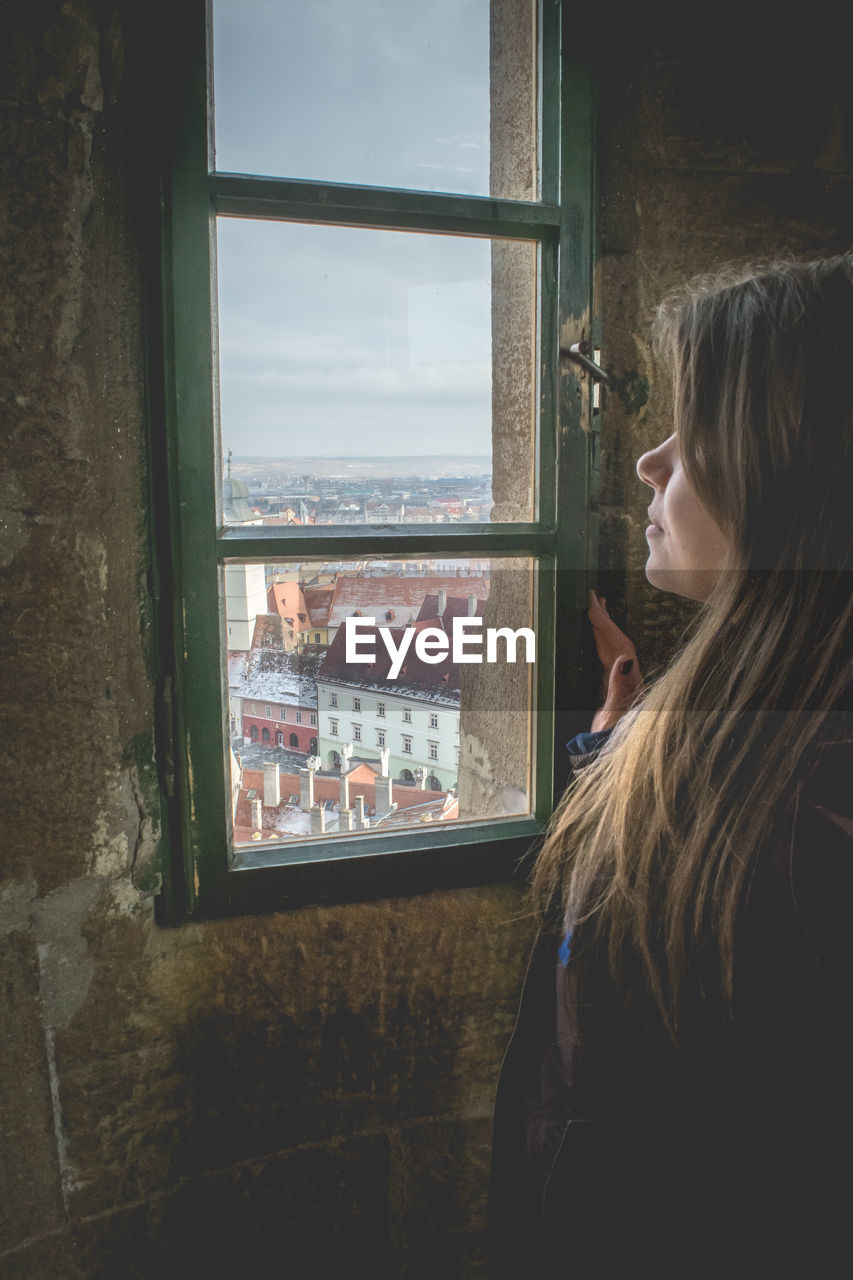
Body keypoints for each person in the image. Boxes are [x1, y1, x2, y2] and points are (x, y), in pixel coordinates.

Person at [489, 257, 852, 1278]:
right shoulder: (762, 731)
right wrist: (620, 753)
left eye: (691, 435)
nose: (649, 462)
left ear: (790, 473)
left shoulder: (809, 820)